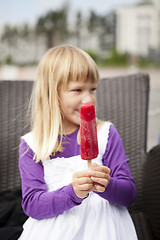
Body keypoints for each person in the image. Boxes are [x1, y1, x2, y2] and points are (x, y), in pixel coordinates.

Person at [18, 45, 138, 240]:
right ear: (52, 95)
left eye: (93, 89)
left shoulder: (106, 134)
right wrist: (71, 192)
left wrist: (108, 185)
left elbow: (129, 195)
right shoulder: (32, 145)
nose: (88, 99)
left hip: (105, 229)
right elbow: (32, 205)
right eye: (77, 90)